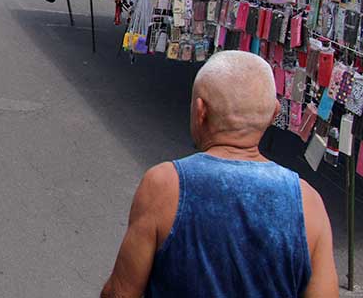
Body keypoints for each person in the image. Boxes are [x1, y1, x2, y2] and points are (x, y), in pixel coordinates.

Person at [101, 50, 337, 298]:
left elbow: (120, 293)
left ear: (200, 110)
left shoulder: (164, 186)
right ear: (274, 113)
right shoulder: (307, 203)